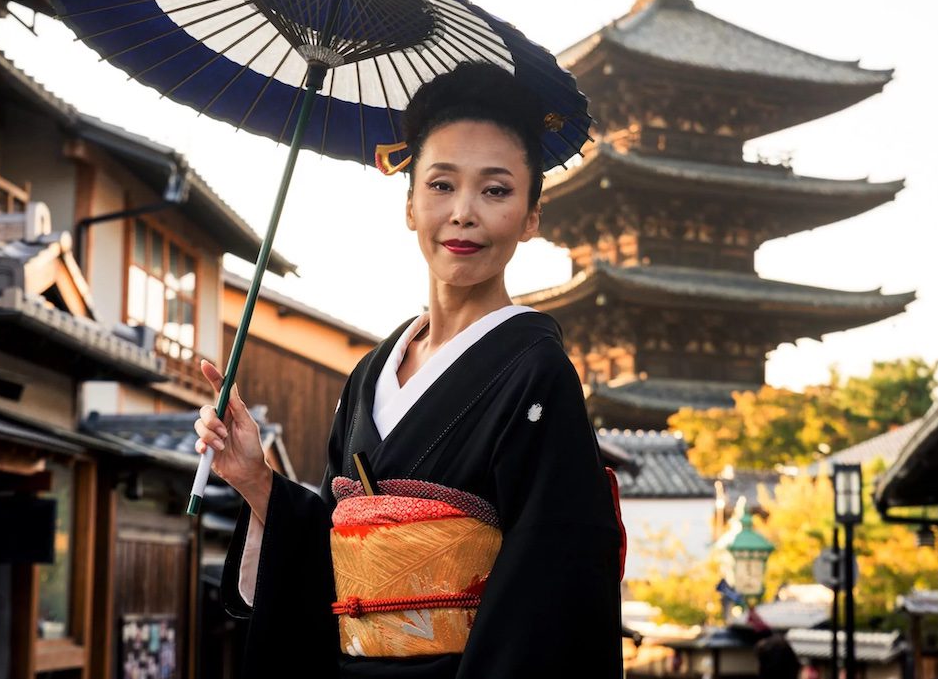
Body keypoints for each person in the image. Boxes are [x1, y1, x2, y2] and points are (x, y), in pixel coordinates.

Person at [194, 62, 624, 678]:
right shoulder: (369, 375)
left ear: (532, 216)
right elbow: (335, 556)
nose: (464, 213)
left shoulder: (537, 374)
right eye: (442, 185)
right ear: (410, 204)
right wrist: (255, 481)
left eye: (496, 190)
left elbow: (552, 587)